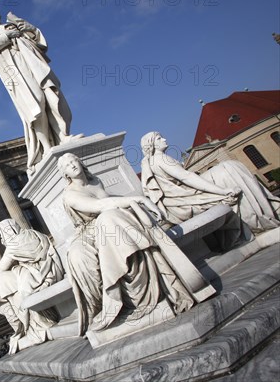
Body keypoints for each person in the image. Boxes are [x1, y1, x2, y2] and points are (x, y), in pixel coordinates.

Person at [57, 153, 195, 336]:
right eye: (67, 165)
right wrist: (136, 199)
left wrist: (132, 203)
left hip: (107, 221)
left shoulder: (96, 181)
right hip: (87, 233)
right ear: (65, 174)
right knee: (79, 256)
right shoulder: (70, 195)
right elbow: (99, 206)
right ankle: (105, 305)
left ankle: (137, 293)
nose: (73, 165)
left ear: (81, 161)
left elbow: (107, 203)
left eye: (74, 160)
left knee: (111, 220)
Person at [0, 4, 74, 172]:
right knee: (36, 103)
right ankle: (47, 146)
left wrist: (30, 28)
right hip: (15, 71)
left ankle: (62, 136)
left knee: (51, 96)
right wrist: (5, 37)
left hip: (33, 63)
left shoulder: (11, 24)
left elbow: (39, 43)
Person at [141, 132, 280, 234]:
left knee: (230, 167)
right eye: (159, 138)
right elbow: (186, 177)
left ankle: (266, 208)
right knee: (229, 168)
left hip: (185, 194)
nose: (164, 139)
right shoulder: (160, 159)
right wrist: (222, 191)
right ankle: (267, 211)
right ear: (152, 145)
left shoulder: (154, 161)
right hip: (187, 196)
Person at [0, 219, 64, 354]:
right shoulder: (34, 234)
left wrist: (7, 247)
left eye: (2, 234)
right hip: (50, 272)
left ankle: (30, 326)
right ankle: (30, 324)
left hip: (34, 277)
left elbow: (1, 268)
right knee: (5, 282)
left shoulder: (14, 244)